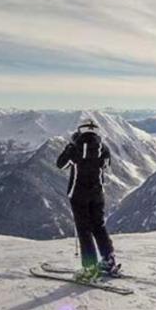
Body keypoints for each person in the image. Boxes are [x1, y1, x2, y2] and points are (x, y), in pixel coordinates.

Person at [56, 120, 119, 280]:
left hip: (78, 194)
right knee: (99, 226)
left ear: (80, 132)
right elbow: (106, 166)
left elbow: (60, 165)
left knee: (84, 230)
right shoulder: (103, 148)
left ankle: (90, 268)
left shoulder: (74, 148)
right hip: (98, 194)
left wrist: (69, 148)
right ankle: (108, 260)